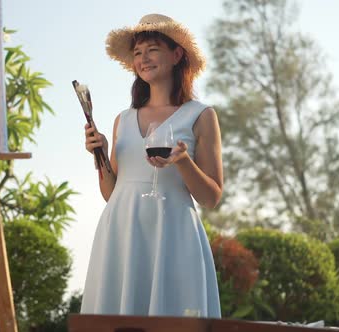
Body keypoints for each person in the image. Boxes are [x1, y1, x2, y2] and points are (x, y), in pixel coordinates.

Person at [81, 13, 223, 318]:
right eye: (137, 53)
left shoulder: (201, 115)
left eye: (152, 49)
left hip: (174, 234)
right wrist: (101, 154)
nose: (143, 58)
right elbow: (112, 193)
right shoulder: (123, 119)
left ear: (176, 55)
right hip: (121, 232)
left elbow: (211, 197)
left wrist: (183, 161)